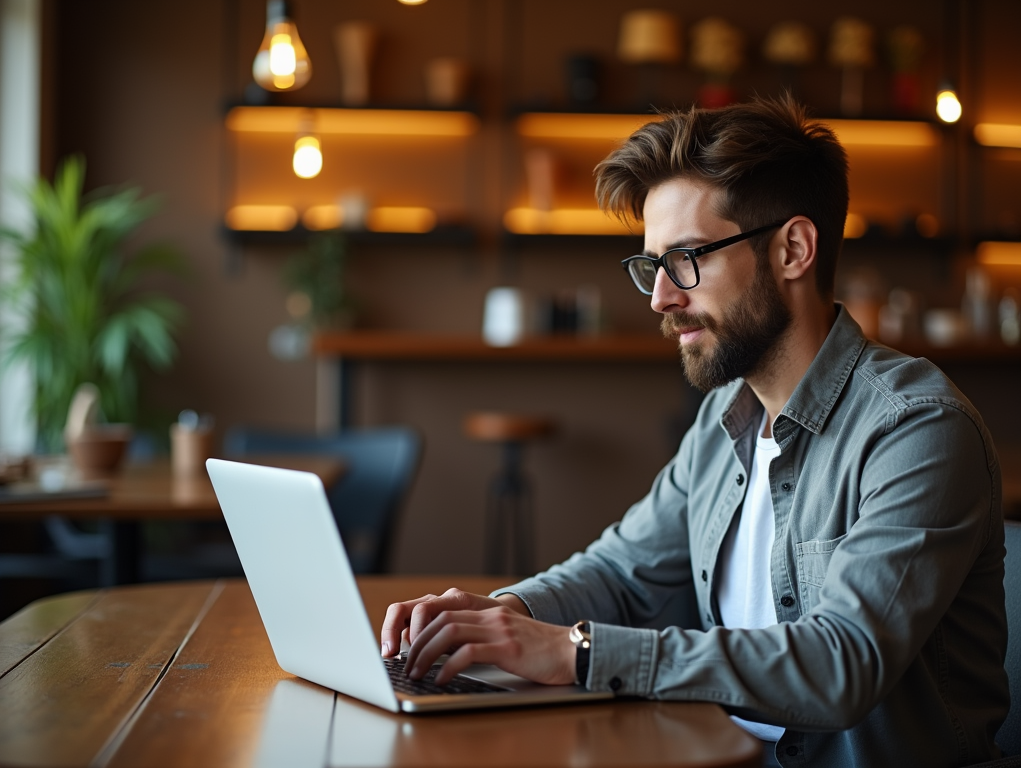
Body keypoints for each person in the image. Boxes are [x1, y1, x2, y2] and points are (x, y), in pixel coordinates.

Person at [381, 95, 1008, 768]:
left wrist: (576, 652)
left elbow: (840, 663)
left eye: (686, 259)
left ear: (794, 249)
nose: (660, 297)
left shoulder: (915, 429)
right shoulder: (724, 418)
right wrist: (494, 616)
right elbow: (622, 573)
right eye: (652, 265)